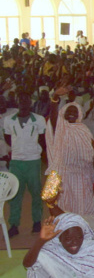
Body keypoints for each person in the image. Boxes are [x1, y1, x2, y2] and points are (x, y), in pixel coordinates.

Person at [3, 93, 46, 236]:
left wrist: (32, 149)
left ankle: (37, 221)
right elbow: (8, 138)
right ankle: (14, 224)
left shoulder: (38, 120)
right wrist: (18, 149)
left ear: (30, 103)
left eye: (26, 100)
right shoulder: (9, 120)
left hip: (33, 161)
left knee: (36, 192)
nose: (23, 102)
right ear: (17, 102)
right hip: (16, 161)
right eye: (20, 100)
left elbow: (42, 138)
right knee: (15, 194)